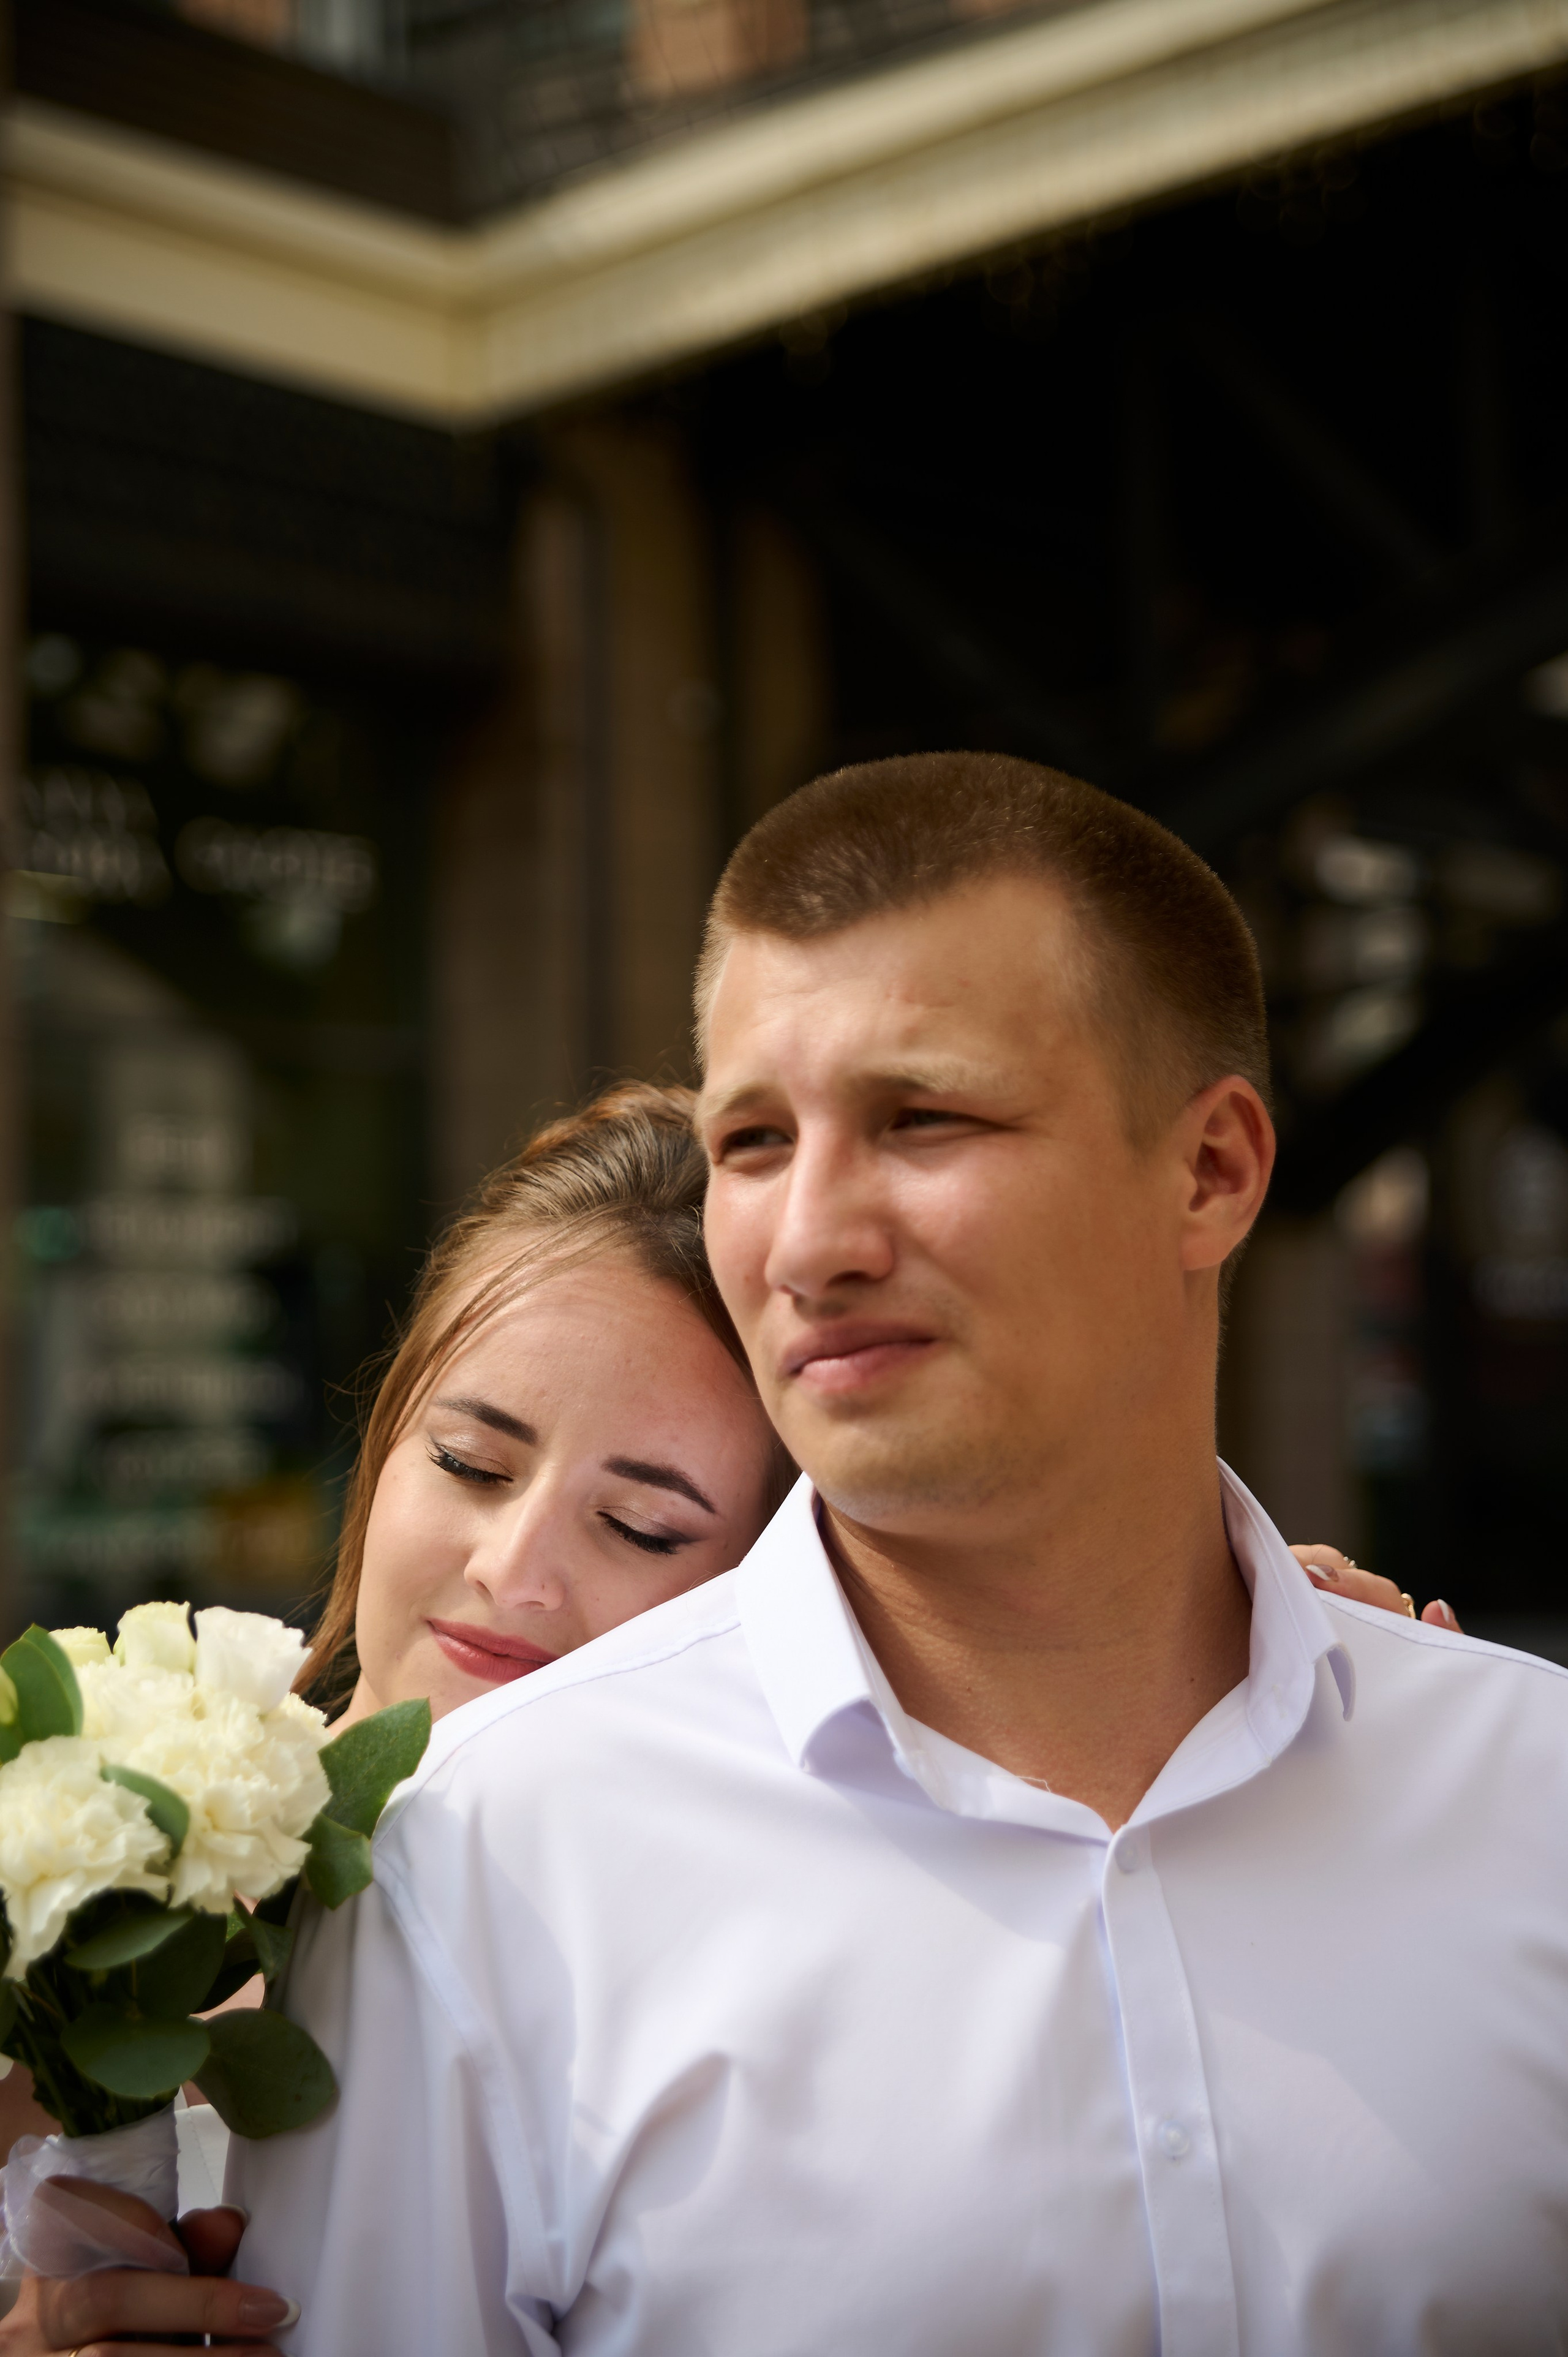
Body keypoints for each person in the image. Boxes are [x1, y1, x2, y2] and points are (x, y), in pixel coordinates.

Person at [223, 752, 1565, 2355]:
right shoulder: (472, 1872)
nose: (810, 1243)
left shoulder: (1531, 1803)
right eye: (753, 1143)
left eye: (922, 1118)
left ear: (1209, 1170)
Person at [0, 1065, 1429, 2357]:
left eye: (641, 1524)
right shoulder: (76, 1859)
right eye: (470, 1461)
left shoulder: (780, 1959)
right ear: (383, 1441)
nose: (514, 1570)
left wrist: (1244, 1676)